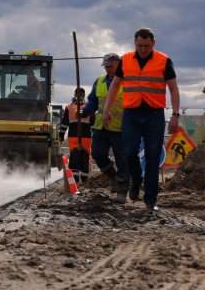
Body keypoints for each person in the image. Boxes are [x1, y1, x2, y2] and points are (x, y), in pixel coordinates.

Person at [103, 28, 180, 212]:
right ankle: (136, 179)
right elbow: (115, 85)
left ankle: (150, 200)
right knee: (129, 153)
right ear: (134, 43)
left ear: (154, 43)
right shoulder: (126, 60)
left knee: (153, 158)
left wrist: (175, 115)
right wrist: (106, 109)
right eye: (139, 46)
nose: (143, 49)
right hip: (131, 114)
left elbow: (173, 89)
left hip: (154, 115)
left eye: (146, 46)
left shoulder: (164, 61)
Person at [80, 53, 125, 194]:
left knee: (122, 159)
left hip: (120, 128)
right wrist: (85, 112)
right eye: (106, 66)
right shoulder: (99, 81)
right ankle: (113, 177)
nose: (107, 69)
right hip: (101, 127)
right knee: (98, 154)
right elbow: (93, 101)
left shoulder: (127, 81)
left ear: (119, 64)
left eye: (110, 66)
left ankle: (122, 190)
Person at [59, 87, 95, 182]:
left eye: (80, 94)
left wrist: (61, 135)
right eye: (79, 94)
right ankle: (78, 179)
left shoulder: (71, 107)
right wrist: (61, 134)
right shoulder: (86, 107)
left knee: (82, 157)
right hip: (78, 136)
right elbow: (64, 123)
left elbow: (93, 124)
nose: (79, 96)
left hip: (81, 136)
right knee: (79, 157)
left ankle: (82, 179)